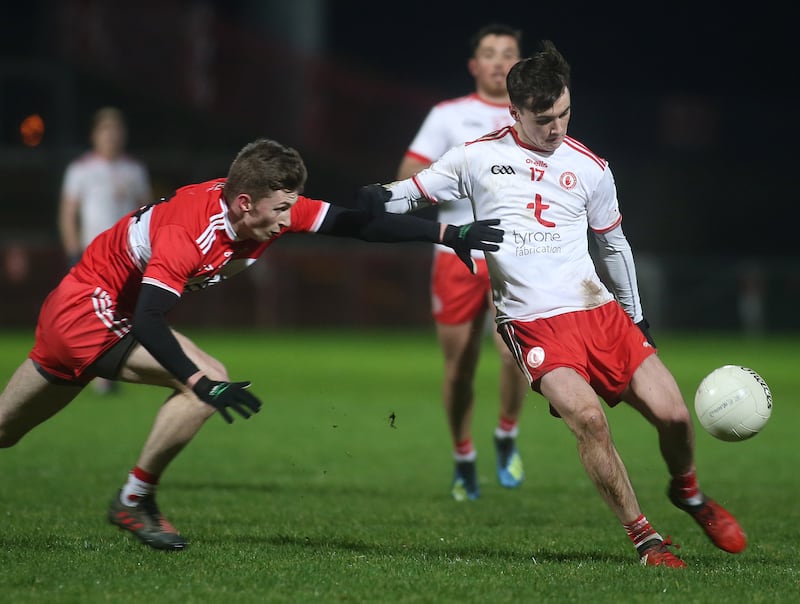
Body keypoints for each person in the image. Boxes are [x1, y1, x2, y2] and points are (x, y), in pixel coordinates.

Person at [0, 138, 503, 552]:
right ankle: (134, 499)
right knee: (207, 382)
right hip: (88, 313)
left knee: (5, 431)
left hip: (96, 310)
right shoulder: (190, 231)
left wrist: (447, 232)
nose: (288, 220)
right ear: (245, 203)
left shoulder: (267, 204)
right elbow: (152, 320)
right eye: (281, 210)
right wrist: (198, 382)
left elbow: (358, 225)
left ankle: (135, 496)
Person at [370, 41, 746, 567]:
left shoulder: (591, 167)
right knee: (589, 420)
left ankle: (687, 492)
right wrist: (371, 200)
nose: (558, 127)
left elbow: (613, 245)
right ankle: (647, 541)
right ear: (515, 111)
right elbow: (409, 193)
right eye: (545, 118)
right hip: (532, 323)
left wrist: (636, 318)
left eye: (565, 113)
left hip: (599, 312)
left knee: (676, 417)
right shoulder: (477, 157)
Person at [396, 23, 528, 502]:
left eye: (507, 53)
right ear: (474, 66)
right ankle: (464, 455)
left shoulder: (532, 117)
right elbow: (408, 175)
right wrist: (463, 175)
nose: (497, 61)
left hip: (515, 252)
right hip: (457, 253)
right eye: (488, 53)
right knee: (460, 368)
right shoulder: (448, 116)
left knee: (517, 352)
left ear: (520, 64)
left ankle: (507, 433)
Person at [58, 106, 152, 394]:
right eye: (105, 130)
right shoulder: (80, 169)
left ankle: (107, 372)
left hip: (128, 254)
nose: (111, 136)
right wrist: (73, 249)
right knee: (94, 313)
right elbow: (68, 212)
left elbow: (148, 210)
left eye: (116, 130)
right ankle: (91, 371)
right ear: (95, 134)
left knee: (124, 313)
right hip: (93, 253)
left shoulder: (134, 169)